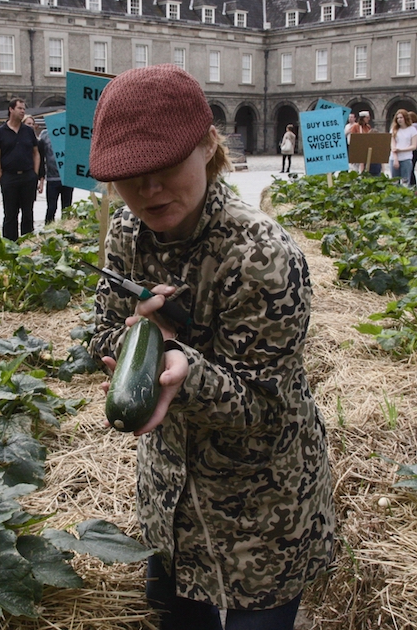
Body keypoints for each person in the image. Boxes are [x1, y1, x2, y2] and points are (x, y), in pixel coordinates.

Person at [87, 64, 335, 630]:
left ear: (206, 145)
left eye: (165, 167)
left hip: (263, 506)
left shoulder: (261, 255)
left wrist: (182, 371)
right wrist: (136, 335)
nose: (148, 191)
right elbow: (99, 331)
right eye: (131, 175)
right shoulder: (127, 234)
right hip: (170, 499)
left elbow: (263, 406)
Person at [0, 99, 41, 240]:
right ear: (11, 109)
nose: (22, 111)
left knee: (27, 213)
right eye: (19, 108)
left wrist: (35, 174)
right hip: (9, 177)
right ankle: (9, 244)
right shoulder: (0, 132)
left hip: (27, 177)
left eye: (24, 108)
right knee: (10, 214)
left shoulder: (28, 131)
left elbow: (36, 153)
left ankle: (27, 242)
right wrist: (1, 177)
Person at [37, 125, 72, 223]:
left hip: (67, 178)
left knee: (67, 207)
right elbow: (41, 155)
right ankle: (48, 227)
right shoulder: (45, 134)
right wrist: (41, 177)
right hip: (52, 178)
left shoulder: (69, 133)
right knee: (51, 207)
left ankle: (66, 227)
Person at [389, 109, 417, 187]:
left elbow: (414, 146)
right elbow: (393, 145)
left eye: (401, 118)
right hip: (394, 159)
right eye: (398, 118)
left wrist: (401, 150)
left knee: (405, 182)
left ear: (405, 118)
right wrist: (395, 159)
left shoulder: (412, 130)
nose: (399, 120)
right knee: (394, 182)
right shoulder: (394, 130)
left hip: (406, 159)